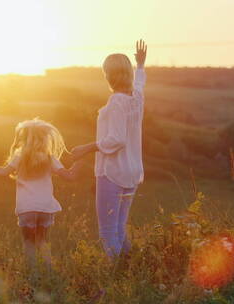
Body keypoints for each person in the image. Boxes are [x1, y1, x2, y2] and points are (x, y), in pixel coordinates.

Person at [71, 40, 147, 259]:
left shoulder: (117, 102)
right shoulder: (136, 99)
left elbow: (116, 139)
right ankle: (130, 271)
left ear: (110, 75)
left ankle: (115, 276)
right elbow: (141, 84)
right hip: (131, 173)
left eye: (106, 72)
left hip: (112, 173)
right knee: (120, 229)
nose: (104, 76)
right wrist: (140, 66)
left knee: (107, 232)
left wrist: (87, 148)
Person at [0, 119, 81, 268]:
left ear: (25, 138)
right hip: (45, 207)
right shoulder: (50, 158)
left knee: (28, 241)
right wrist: (80, 161)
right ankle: (49, 271)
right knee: (42, 240)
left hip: (27, 207)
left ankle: (32, 273)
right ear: (45, 138)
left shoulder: (20, 156)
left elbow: (3, 172)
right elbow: (69, 176)